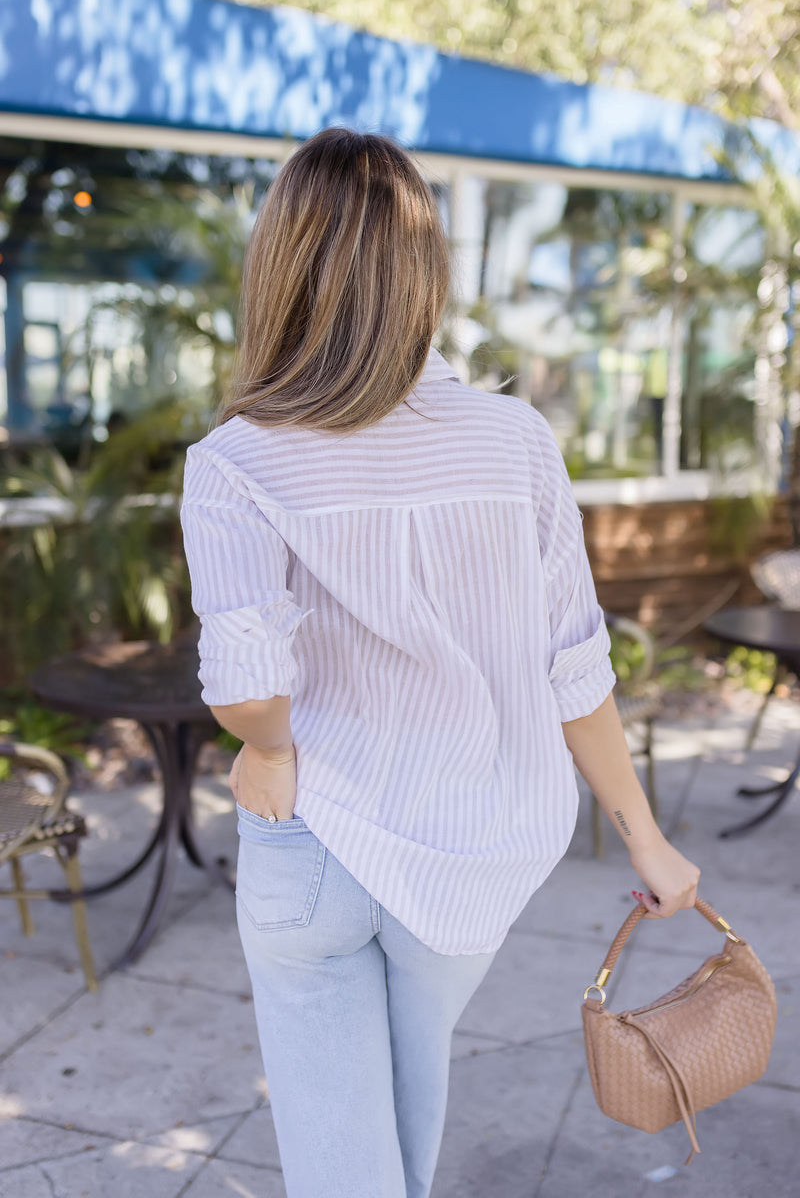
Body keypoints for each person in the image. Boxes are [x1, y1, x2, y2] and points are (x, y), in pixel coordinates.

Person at [180, 127, 700, 1198]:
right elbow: (575, 668)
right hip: (472, 850)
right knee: (405, 1126)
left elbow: (245, 685)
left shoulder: (237, 457)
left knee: (342, 1166)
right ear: (423, 275)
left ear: (281, 268)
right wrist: (642, 840)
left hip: (316, 835)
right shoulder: (515, 441)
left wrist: (268, 749)